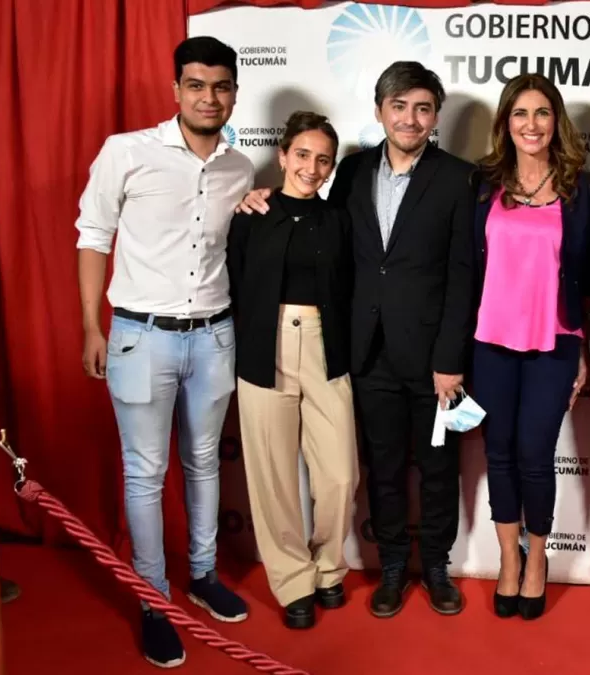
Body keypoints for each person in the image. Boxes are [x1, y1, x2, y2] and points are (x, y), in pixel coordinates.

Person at [239, 61, 476, 618]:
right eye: (399, 106)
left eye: (422, 107)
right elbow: (316, 224)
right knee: (382, 467)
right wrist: (256, 200)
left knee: (439, 468)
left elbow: (464, 274)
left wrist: (450, 358)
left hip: (432, 359)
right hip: (361, 352)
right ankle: (392, 564)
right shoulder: (349, 170)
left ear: (435, 115)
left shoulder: (459, 177)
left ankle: (436, 566)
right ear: (379, 111)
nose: (410, 118)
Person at [75, 36, 253, 668]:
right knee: (145, 472)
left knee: (205, 462)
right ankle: (153, 599)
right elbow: (93, 235)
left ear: (235, 92)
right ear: (175, 89)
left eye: (222, 86)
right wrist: (93, 328)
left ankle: (202, 575)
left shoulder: (240, 169)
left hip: (214, 335)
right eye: (197, 85)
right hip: (139, 335)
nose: (210, 97)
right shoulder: (127, 152)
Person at [469, 73, 590, 621]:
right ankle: (507, 559)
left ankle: (538, 560)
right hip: (488, 342)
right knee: (498, 452)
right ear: (505, 123)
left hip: (555, 341)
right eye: (520, 114)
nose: (531, 124)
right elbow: (462, 265)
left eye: (542, 113)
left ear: (557, 121)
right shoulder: (480, 184)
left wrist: (587, 345)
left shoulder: (582, 187)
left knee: (535, 454)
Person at [226, 112, 356, 630]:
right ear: (282, 156)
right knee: (273, 475)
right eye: (302, 154)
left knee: (340, 475)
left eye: (323, 159)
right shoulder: (250, 215)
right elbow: (232, 284)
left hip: (327, 347)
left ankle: (329, 568)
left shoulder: (340, 220)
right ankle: (293, 582)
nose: (312, 166)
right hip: (264, 346)